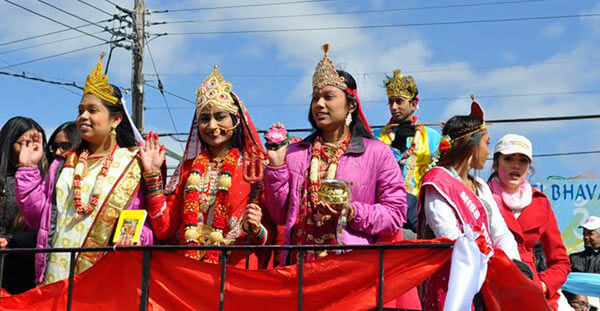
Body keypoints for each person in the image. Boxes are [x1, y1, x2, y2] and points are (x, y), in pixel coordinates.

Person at [264, 44, 418, 309]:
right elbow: (279, 216)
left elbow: (394, 216)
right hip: (300, 274)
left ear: (350, 105)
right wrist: (276, 170)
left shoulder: (376, 153)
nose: (319, 104)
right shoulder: (295, 153)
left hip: (354, 275)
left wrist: (351, 211)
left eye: (328, 96)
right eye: (314, 97)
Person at [15, 55, 153, 285]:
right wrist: (28, 169)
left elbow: (145, 222)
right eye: (80, 111)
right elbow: (38, 218)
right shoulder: (63, 164)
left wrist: (140, 237)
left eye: (92, 110)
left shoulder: (134, 162)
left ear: (116, 119)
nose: (83, 117)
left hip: (106, 278)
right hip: (55, 277)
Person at [140, 65, 272, 269]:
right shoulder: (187, 168)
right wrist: (152, 176)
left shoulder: (254, 166)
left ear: (236, 120)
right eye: (204, 118)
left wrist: (256, 228)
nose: (211, 126)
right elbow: (164, 229)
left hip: (236, 271)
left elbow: (274, 232)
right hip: (189, 272)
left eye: (220, 117)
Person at [417, 98, 521, 310]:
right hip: (454, 282)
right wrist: (488, 260)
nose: (488, 151)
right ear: (470, 144)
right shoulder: (437, 182)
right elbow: (450, 235)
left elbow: (500, 232)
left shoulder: (481, 186)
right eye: (486, 143)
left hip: (488, 279)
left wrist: (513, 265)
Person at [488, 134, 570, 310]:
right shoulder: (480, 197)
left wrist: (542, 285)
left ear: (529, 167)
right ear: (496, 163)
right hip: (490, 290)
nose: (516, 166)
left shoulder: (540, 202)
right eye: (509, 159)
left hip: (531, 292)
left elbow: (561, 262)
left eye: (523, 161)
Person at [374, 70, 441, 235]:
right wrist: (396, 146)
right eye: (390, 102)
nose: (394, 107)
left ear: (413, 104)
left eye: (399, 101)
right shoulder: (376, 138)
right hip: (386, 207)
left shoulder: (431, 137)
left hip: (421, 212)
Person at [0, 117, 45, 294]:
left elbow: (41, 224)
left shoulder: (40, 182)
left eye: (36, 145)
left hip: (19, 265)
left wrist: (12, 241)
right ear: (9, 142)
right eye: (25, 143)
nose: (29, 150)